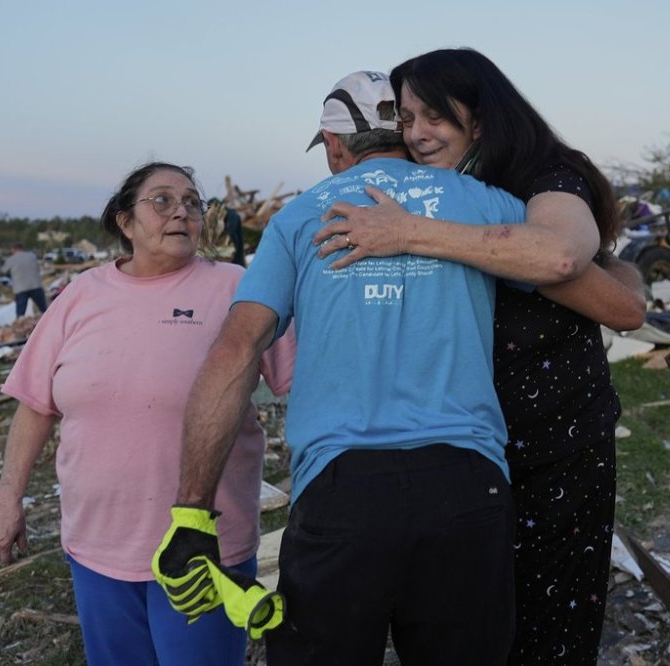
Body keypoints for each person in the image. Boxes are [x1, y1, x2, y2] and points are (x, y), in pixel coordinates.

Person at [155, 71, 534, 665]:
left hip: (341, 492)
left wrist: (191, 513)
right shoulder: (480, 201)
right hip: (467, 485)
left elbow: (235, 354)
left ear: (334, 145)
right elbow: (571, 268)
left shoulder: (299, 218)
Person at [312, 48, 647, 664]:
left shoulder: (543, 177)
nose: (417, 134)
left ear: (482, 115)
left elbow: (568, 265)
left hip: (552, 447)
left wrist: (407, 231)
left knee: (546, 624)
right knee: (470, 632)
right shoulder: (456, 192)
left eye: (433, 116)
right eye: (406, 118)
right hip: (464, 452)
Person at [0, 162, 294, 666]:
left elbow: (302, 384)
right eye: (163, 200)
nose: (182, 212)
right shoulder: (81, 295)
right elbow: (36, 404)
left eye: (193, 202)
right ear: (125, 222)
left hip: (202, 552)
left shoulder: (238, 288)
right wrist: (7, 497)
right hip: (95, 546)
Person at [0, 243, 48, 317]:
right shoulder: (32, 256)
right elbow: (38, 269)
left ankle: (20, 325)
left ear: (14, 249)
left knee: (20, 314)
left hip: (20, 288)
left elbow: (2, 271)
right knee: (44, 310)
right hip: (35, 285)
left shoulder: (11, 259)